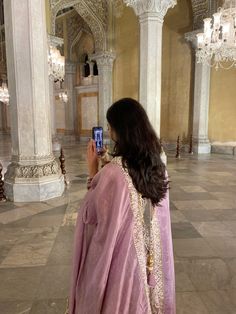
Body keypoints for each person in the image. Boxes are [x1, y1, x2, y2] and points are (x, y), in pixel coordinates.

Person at [68, 98, 175, 314]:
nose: (108, 131)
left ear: (120, 130)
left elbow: (92, 216)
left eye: (110, 127)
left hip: (124, 266)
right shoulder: (157, 166)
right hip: (151, 262)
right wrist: (107, 164)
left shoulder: (113, 173)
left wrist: (93, 171)